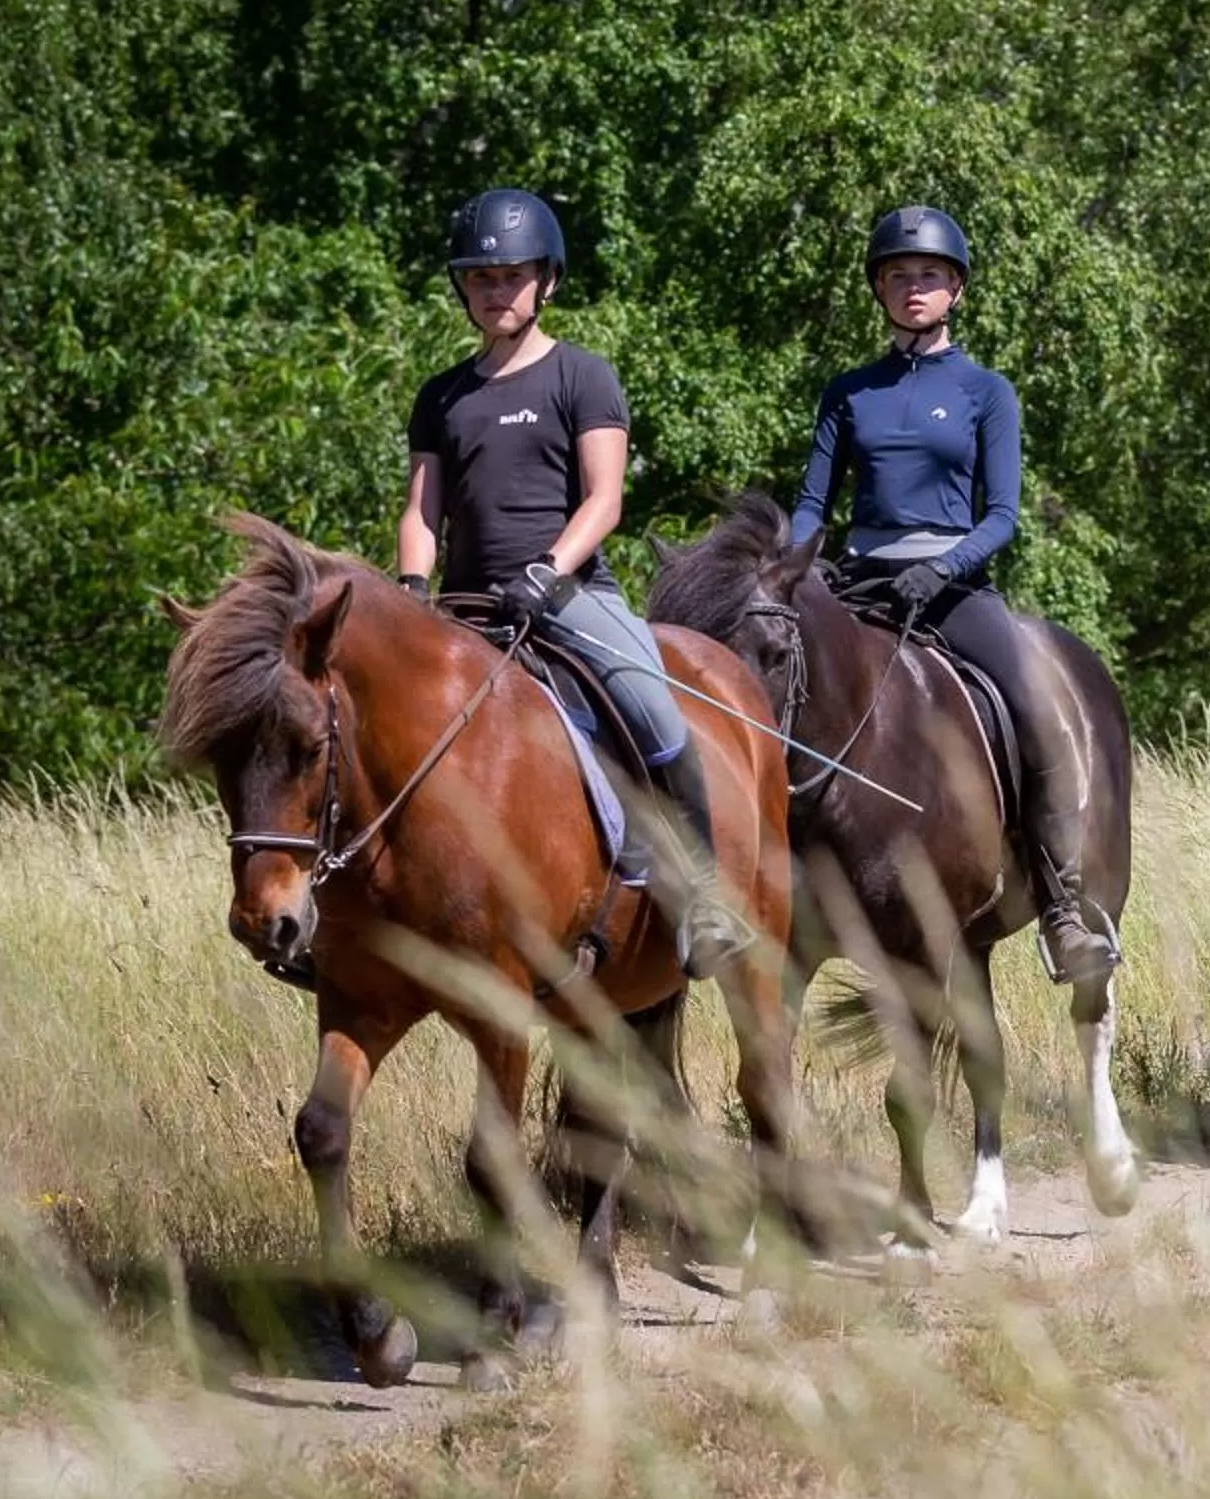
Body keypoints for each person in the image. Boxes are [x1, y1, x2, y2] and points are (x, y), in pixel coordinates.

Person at [399, 187, 744, 975]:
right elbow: (422, 508)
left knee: (656, 713)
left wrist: (548, 573)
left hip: (569, 594)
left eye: (512, 276)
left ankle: (704, 896)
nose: (495, 291)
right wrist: (412, 591)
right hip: (464, 606)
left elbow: (605, 498)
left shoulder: (581, 376)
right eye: (480, 278)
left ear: (546, 280)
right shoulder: (443, 396)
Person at [788, 204, 1117, 984]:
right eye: (898, 276)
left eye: (929, 276)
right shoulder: (848, 393)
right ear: (879, 289)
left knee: (1035, 708)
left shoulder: (985, 391)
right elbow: (813, 502)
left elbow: (1003, 514)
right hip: (858, 583)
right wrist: (795, 565)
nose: (913, 288)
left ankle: (1064, 906)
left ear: (956, 290)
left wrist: (944, 568)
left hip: (953, 588)